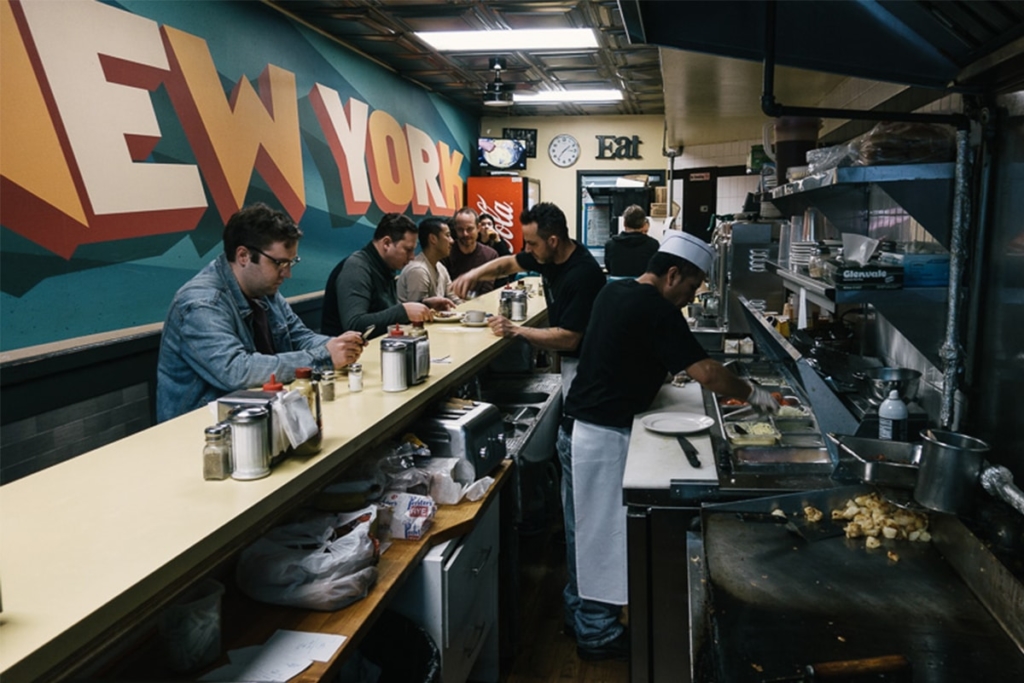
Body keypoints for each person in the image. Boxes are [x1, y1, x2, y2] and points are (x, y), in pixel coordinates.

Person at [561, 231, 779, 660]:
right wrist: (756, 395)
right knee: (598, 535)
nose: (691, 297)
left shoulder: (616, 290)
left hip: (579, 429)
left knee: (581, 531)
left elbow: (625, 353)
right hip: (598, 437)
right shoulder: (657, 309)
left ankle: (580, 616)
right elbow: (709, 374)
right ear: (672, 274)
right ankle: (597, 634)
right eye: (693, 287)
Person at [157, 203, 365, 422]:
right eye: (280, 263)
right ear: (244, 256)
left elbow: (300, 337)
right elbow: (237, 370)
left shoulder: (265, 291)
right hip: (201, 432)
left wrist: (340, 346)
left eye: (291, 262)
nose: (287, 274)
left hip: (257, 417)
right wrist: (324, 356)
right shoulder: (201, 303)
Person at [450, 202, 605, 401]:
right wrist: (473, 275)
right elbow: (508, 263)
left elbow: (569, 338)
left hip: (588, 364)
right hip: (573, 360)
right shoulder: (549, 256)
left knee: (577, 417)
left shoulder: (583, 275)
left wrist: (515, 330)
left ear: (553, 241)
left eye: (532, 243)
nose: (527, 249)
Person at [321, 213, 452, 339]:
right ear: (387, 243)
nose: (412, 257)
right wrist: (403, 311)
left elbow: (383, 312)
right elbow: (355, 325)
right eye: (408, 250)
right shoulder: (356, 268)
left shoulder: (385, 266)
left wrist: (424, 305)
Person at [396, 217, 461, 305]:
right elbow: (417, 312)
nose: (452, 241)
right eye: (447, 235)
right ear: (433, 239)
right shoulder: (418, 270)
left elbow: (454, 298)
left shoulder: (440, 267)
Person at [442, 207, 499, 295]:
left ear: (478, 228)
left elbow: (486, 291)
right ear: (455, 229)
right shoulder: (445, 253)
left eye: (470, 229)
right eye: (460, 229)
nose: (465, 234)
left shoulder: (490, 255)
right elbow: (444, 289)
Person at [603, 204, 659, 276]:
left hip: (618, 286)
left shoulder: (610, 245)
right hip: (643, 286)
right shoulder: (653, 245)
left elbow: (609, 268)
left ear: (624, 223)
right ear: (643, 224)